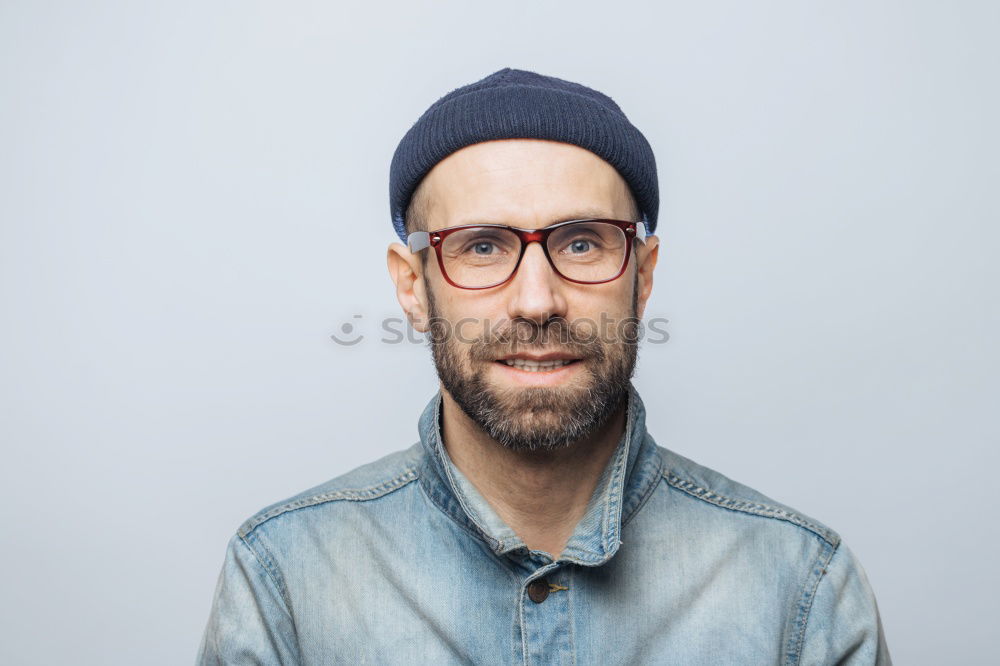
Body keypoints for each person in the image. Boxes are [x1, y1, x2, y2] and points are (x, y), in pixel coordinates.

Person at [196, 68, 891, 665]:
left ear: (642, 279)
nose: (536, 302)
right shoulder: (284, 577)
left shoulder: (800, 586)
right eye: (482, 247)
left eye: (584, 243)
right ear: (413, 286)